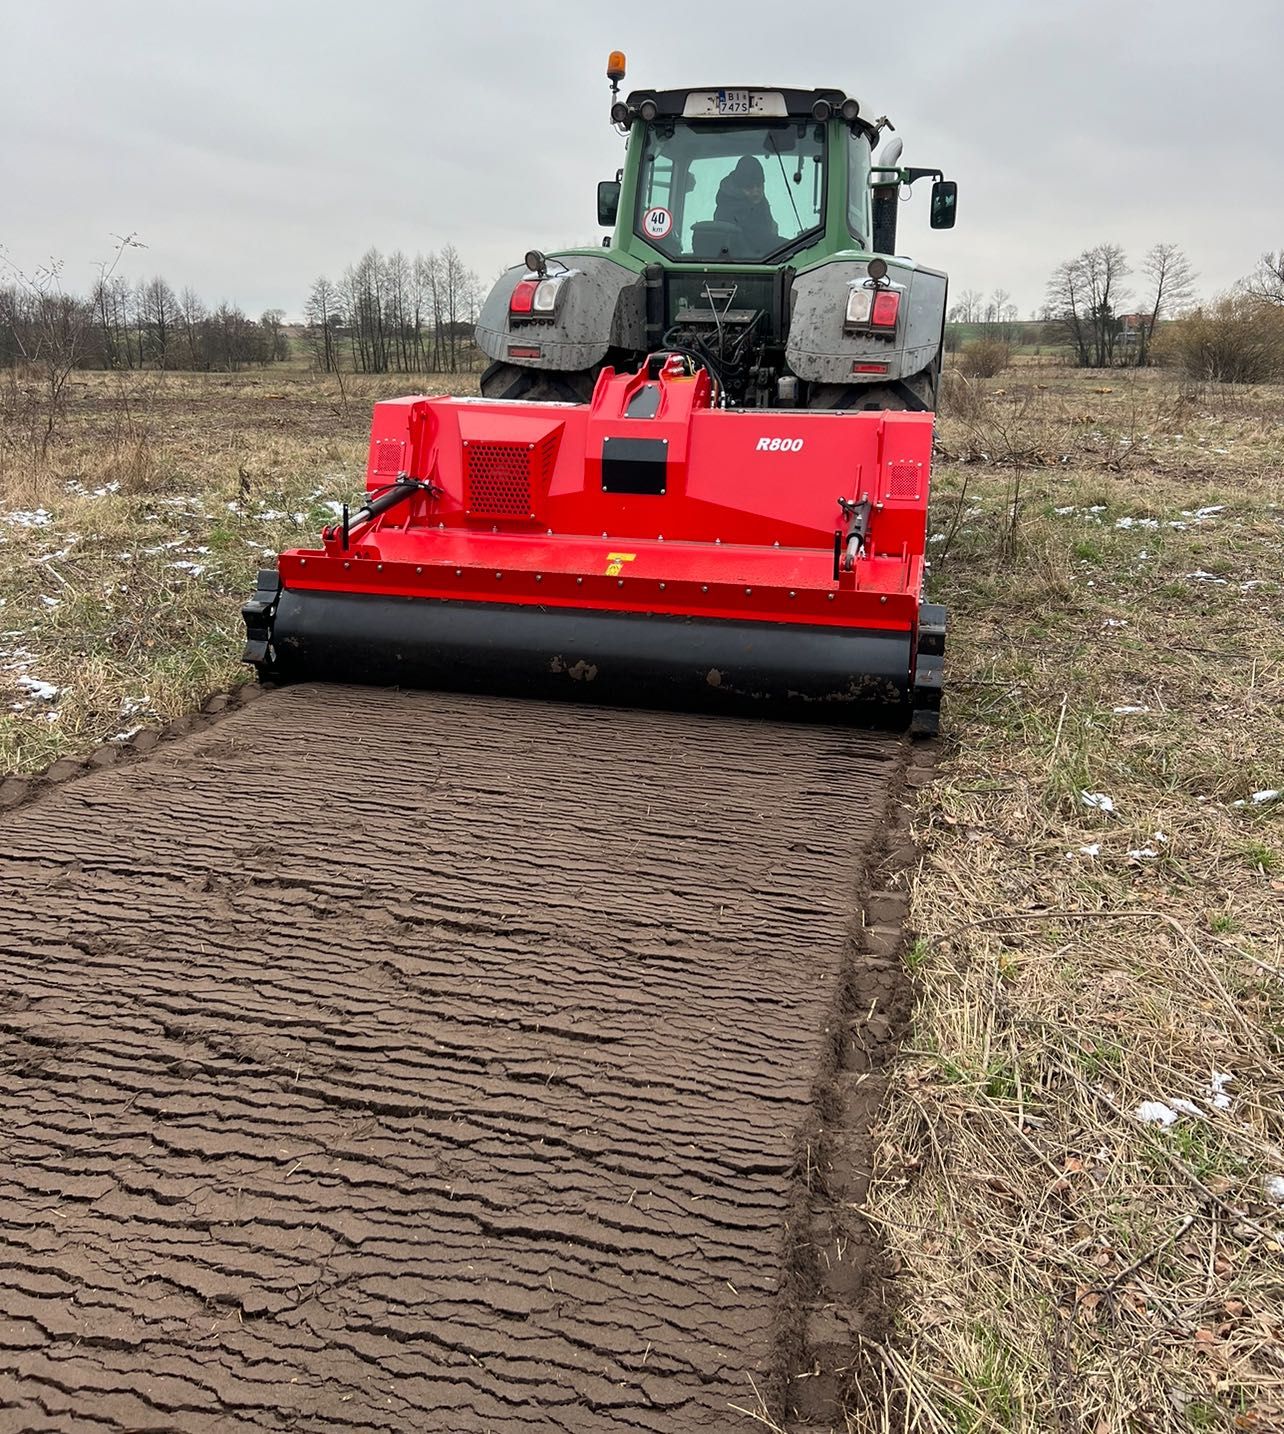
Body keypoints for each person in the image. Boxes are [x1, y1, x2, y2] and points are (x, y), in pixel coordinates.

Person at [714, 156, 781, 253]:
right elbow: (761, 241)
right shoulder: (731, 210)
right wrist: (796, 244)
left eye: (759, 185)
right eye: (749, 187)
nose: (756, 192)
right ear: (738, 188)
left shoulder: (759, 204)